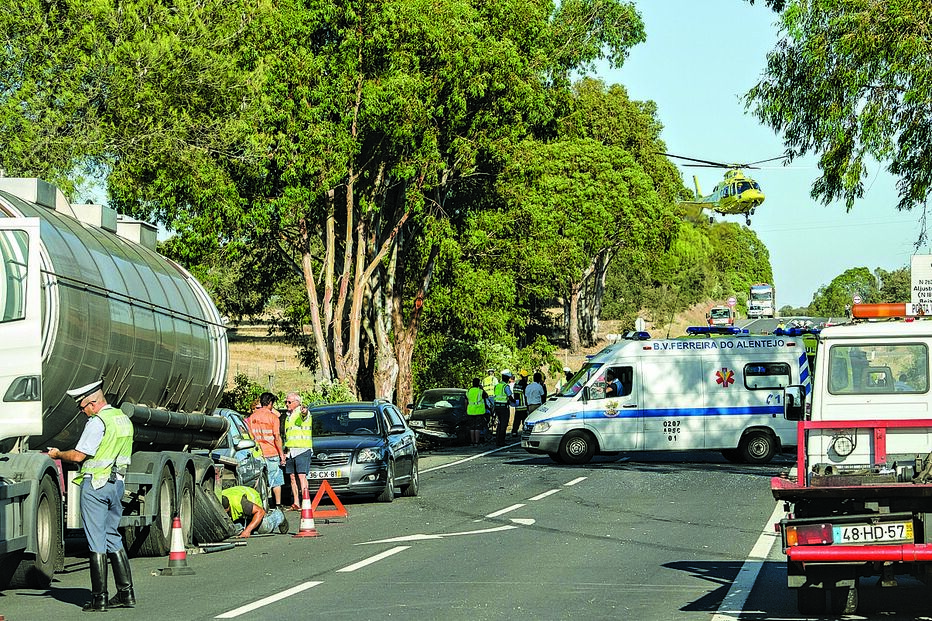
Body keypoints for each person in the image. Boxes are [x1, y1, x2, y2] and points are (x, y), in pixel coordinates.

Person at [48, 380, 136, 612]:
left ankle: (100, 598)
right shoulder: (122, 419)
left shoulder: (97, 422)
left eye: (82, 406)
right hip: (116, 484)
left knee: (96, 540)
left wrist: (57, 453)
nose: (81, 411)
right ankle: (126, 593)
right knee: (111, 536)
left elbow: (78, 456)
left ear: (94, 402)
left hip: (95, 485)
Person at [247, 392, 286, 509]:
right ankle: (277, 504)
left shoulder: (252, 417)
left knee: (260, 479)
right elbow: (277, 437)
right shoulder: (273, 417)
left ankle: (262, 504)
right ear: (270, 403)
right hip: (272, 452)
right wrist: (281, 454)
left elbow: (250, 436)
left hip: (258, 453)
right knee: (276, 479)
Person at [283, 392, 313, 510]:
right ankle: (296, 502)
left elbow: (304, 414)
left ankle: (306, 501)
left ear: (297, 403)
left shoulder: (301, 413)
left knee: (301, 476)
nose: (286, 404)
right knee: (292, 477)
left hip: (302, 449)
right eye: (286, 402)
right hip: (291, 450)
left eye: (289, 402)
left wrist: (304, 410)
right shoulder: (288, 417)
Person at [221, 485, 289, 537]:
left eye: (226, 512)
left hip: (254, 505)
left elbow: (260, 512)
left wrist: (247, 531)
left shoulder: (240, 503)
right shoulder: (219, 498)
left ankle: (278, 515)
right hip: (240, 502)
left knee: (264, 528)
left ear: (228, 507)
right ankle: (247, 525)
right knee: (232, 530)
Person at [465, 378, 490, 446]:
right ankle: (477, 442)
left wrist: (466, 409)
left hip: (470, 411)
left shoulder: (469, 391)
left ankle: (472, 441)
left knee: (472, 427)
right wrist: (482, 388)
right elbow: (486, 396)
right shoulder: (480, 391)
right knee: (478, 427)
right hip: (479, 411)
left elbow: (466, 401)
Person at [493, 370, 514, 446]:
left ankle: (497, 441)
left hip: (497, 406)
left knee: (499, 423)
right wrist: (514, 401)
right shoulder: (506, 386)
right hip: (503, 407)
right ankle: (502, 441)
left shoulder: (497, 385)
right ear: (507, 378)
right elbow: (509, 396)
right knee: (504, 424)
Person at [511, 371, 529, 437]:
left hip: (517, 405)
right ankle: (525, 431)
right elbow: (526, 394)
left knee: (517, 419)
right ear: (525, 377)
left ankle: (514, 432)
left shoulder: (516, 383)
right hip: (523, 405)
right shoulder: (524, 384)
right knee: (525, 419)